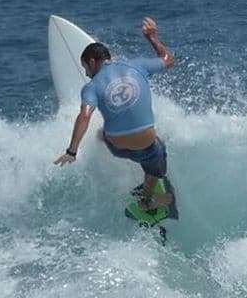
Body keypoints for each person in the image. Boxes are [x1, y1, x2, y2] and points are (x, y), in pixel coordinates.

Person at [54, 17, 175, 212]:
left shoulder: (91, 87)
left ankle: (103, 138)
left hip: (116, 147)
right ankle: (147, 200)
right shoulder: (138, 66)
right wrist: (152, 37)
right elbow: (169, 60)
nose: (86, 74)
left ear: (92, 62)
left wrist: (72, 152)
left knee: (102, 133)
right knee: (155, 158)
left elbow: (84, 117)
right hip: (146, 147)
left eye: (85, 68)